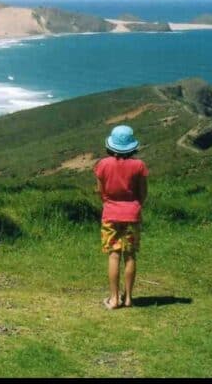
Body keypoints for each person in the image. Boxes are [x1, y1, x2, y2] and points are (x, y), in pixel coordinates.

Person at [94, 125, 148, 310]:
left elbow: (100, 192)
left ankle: (114, 298)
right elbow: (143, 193)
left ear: (111, 146)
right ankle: (129, 298)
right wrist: (135, 205)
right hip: (132, 214)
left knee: (114, 255)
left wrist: (108, 203)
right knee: (130, 255)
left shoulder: (102, 164)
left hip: (110, 214)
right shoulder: (139, 166)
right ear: (132, 146)